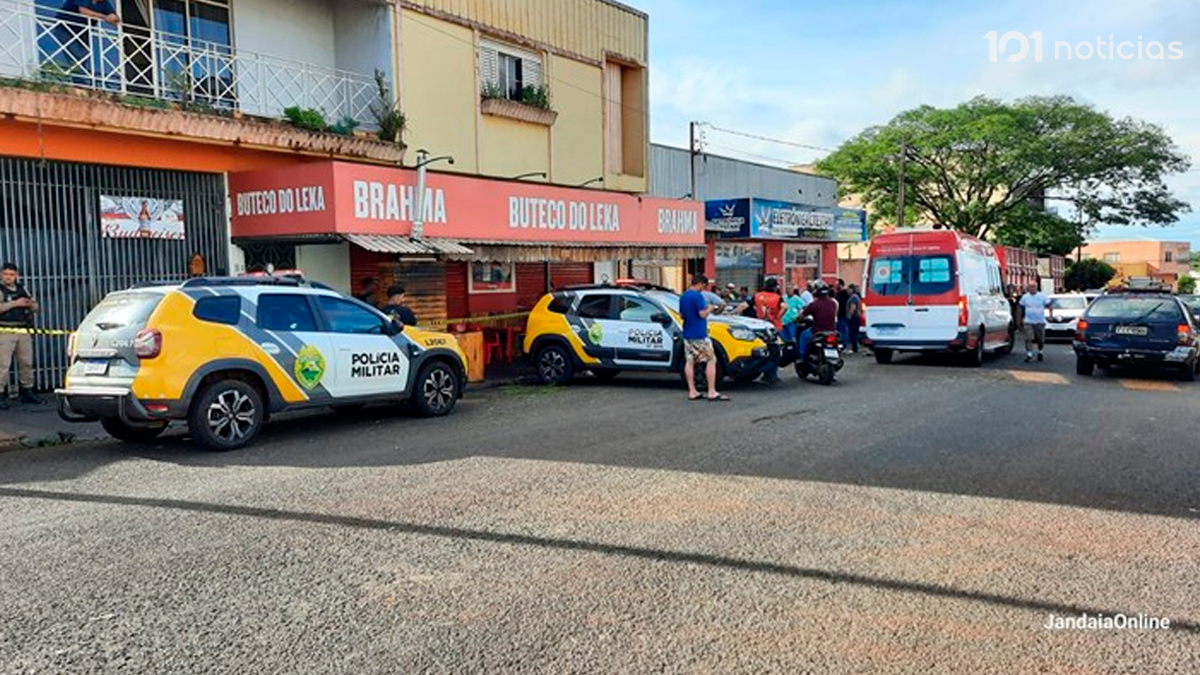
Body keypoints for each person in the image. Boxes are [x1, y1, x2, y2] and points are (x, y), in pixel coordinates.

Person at [0, 264, 43, 408]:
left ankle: (27, 391)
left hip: (23, 330)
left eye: (11, 274)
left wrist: (30, 304)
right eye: (5, 274)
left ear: (16, 275)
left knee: (27, 362)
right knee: (3, 365)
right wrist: (15, 304)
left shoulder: (22, 288)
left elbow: (36, 307)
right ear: (1, 275)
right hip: (5, 331)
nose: (8, 277)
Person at [680, 274, 728, 402]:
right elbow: (702, 314)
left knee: (689, 361)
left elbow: (682, 315)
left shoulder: (683, 296)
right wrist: (710, 308)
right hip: (699, 333)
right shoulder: (698, 296)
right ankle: (711, 391)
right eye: (704, 286)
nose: (704, 288)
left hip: (687, 332)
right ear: (700, 283)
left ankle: (692, 391)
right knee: (711, 360)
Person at [797, 283, 839, 363]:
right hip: (832, 330)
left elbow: (802, 315)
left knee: (803, 336)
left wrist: (797, 320)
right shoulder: (833, 303)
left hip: (817, 331)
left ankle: (802, 357)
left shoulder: (814, 304)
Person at [753, 278, 784, 384]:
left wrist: (732, 314)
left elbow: (744, 305)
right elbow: (785, 307)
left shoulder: (757, 296)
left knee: (762, 351)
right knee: (775, 352)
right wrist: (778, 317)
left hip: (760, 327)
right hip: (774, 327)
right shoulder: (777, 298)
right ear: (775, 287)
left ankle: (761, 370)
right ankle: (771, 375)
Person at [1019, 280, 1051, 362]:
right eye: (1030, 286)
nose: (1032, 288)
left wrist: (1050, 316)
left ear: (1037, 287)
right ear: (1028, 288)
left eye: (1034, 286)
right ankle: (1029, 354)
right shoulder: (1025, 297)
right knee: (1028, 338)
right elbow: (1020, 308)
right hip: (1028, 321)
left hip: (1040, 321)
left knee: (1040, 339)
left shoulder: (1042, 296)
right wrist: (1020, 318)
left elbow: (1049, 305)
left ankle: (1040, 351)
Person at [846, 284, 863, 353]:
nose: (847, 291)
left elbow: (853, 307)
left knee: (852, 333)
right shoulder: (856, 297)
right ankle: (855, 347)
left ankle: (854, 348)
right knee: (854, 333)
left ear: (851, 289)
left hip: (854, 318)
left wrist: (849, 316)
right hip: (856, 317)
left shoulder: (853, 297)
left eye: (848, 289)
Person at [835, 278, 851, 345]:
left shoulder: (844, 294)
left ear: (841, 285)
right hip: (839, 315)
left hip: (843, 315)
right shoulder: (838, 293)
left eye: (837, 285)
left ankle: (844, 343)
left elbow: (843, 304)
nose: (835, 286)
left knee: (843, 330)